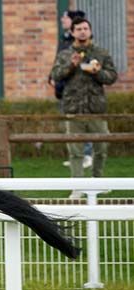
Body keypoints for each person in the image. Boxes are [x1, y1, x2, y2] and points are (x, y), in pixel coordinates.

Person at [50, 18, 117, 198]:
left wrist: (98, 72)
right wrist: (71, 65)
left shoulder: (101, 53)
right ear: (72, 32)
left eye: (85, 28)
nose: (82, 32)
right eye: (78, 29)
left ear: (90, 31)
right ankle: (77, 186)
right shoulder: (65, 54)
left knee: (101, 148)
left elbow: (112, 77)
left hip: (96, 109)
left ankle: (97, 182)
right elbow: (55, 75)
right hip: (73, 109)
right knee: (75, 151)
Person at [49, 9, 93, 170]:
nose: (62, 20)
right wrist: (52, 78)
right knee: (71, 125)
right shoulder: (65, 40)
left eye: (65, 18)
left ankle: (87, 155)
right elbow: (58, 62)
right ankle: (77, 158)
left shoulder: (83, 45)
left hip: (84, 94)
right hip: (66, 91)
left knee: (86, 123)